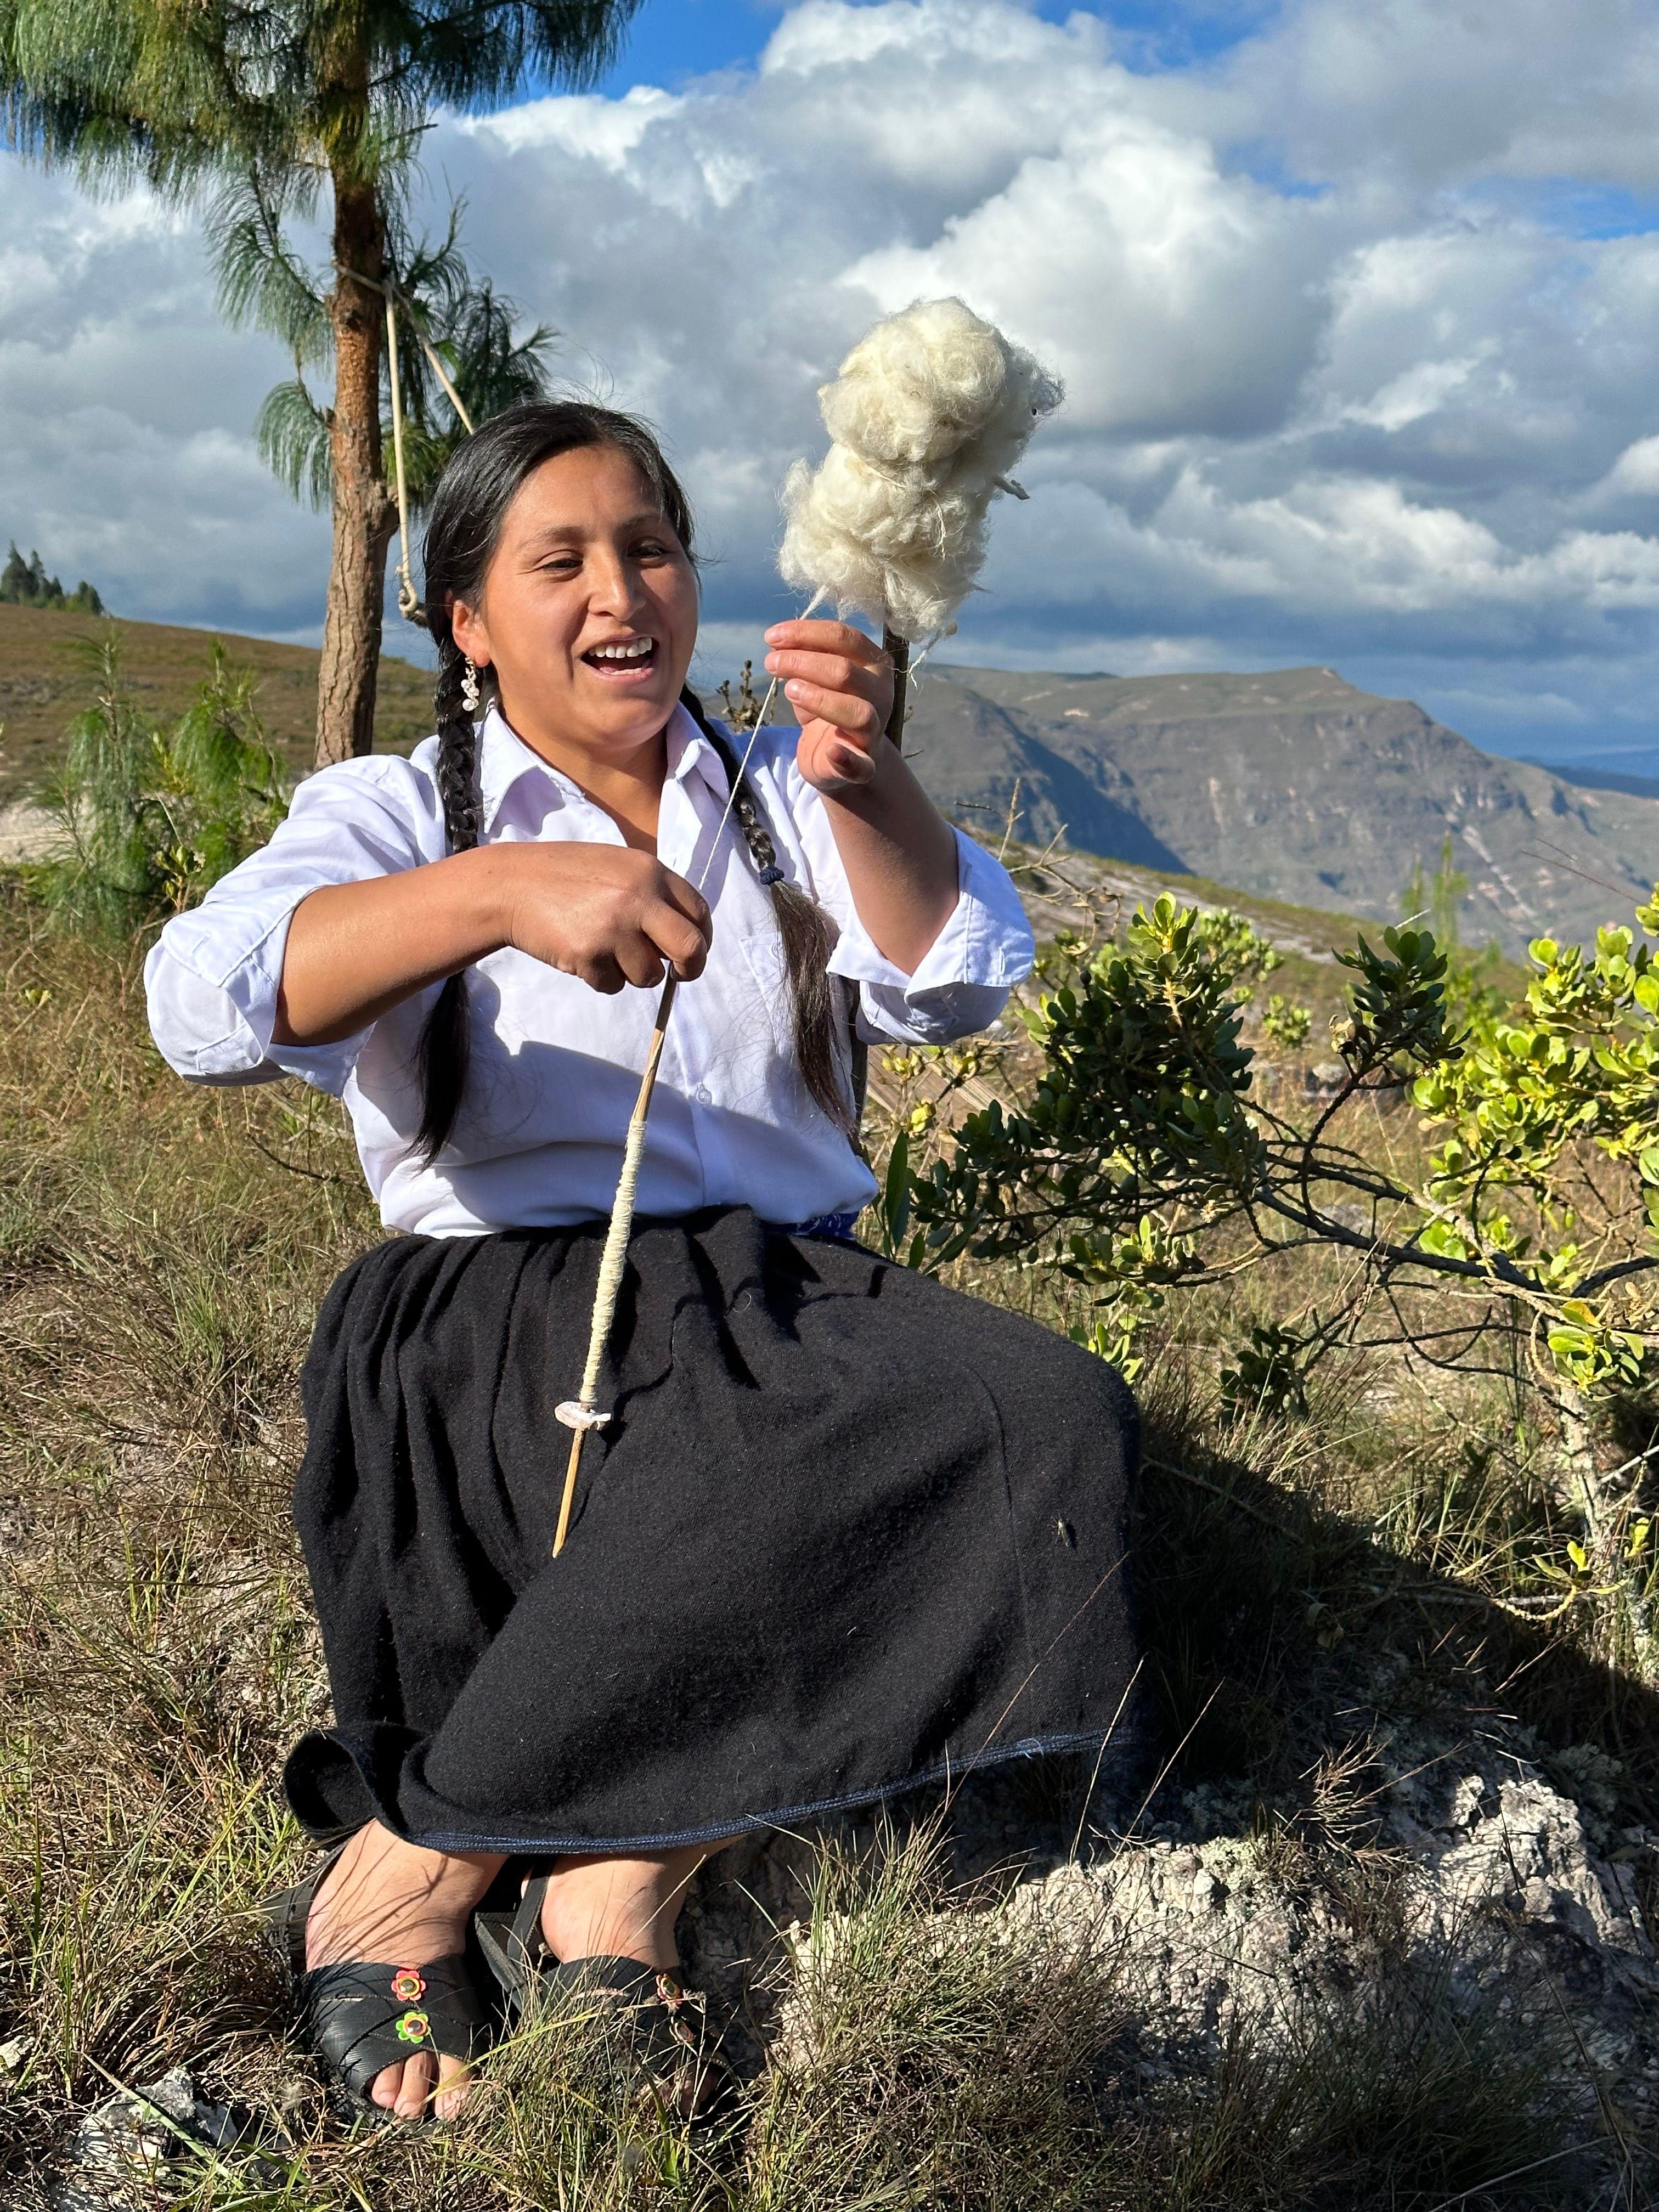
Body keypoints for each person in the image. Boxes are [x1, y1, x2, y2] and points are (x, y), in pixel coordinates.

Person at [144, 400, 1138, 2124]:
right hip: (497, 1314)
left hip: (783, 1305)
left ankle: (470, 1838)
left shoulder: (775, 800)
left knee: (1049, 1418)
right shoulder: (398, 807)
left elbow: (957, 970)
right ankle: (533, 1879)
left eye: (652, 548)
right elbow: (199, 1000)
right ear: (466, 623)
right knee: (751, 1470)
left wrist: (868, 777)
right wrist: (499, 891)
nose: (622, 593)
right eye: (561, 561)